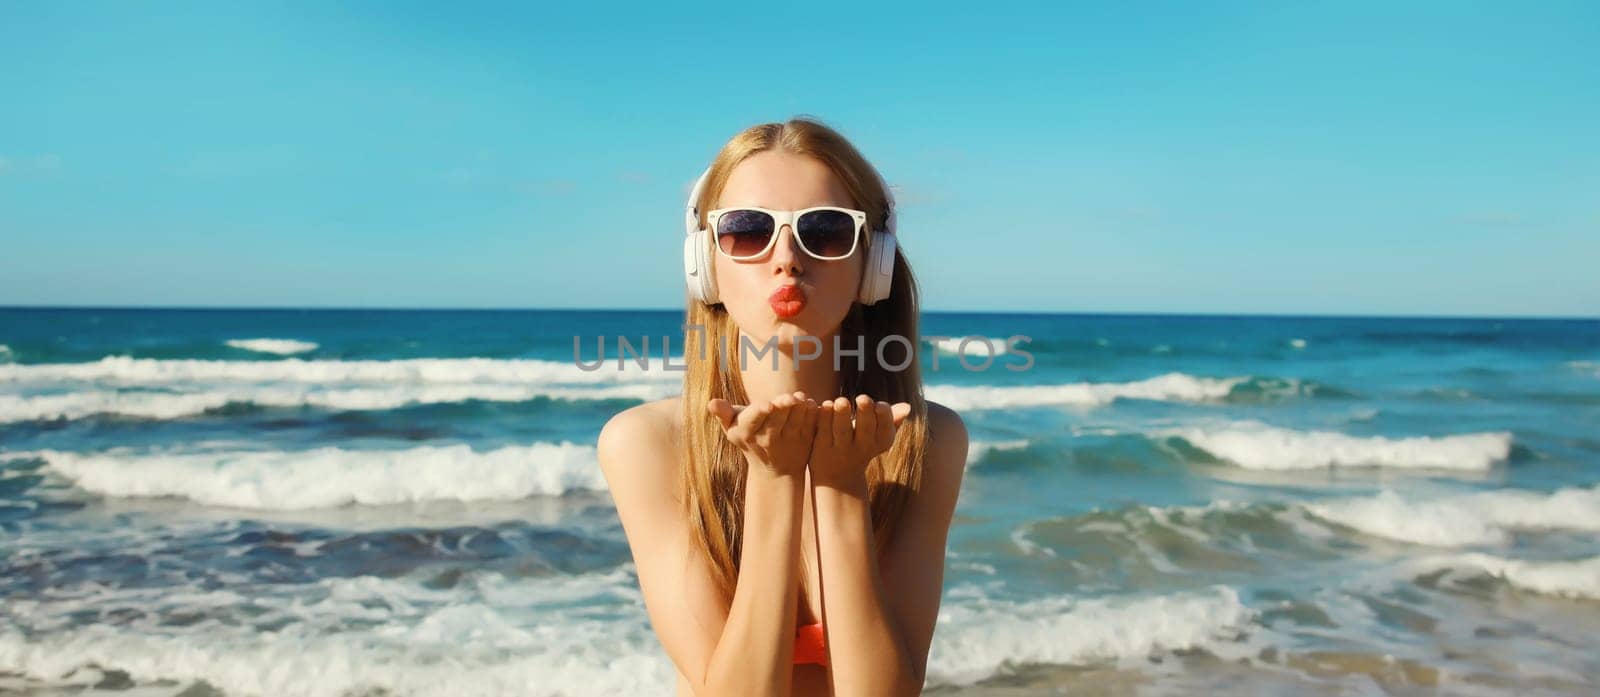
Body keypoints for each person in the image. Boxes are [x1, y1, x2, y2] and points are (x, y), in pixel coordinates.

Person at [598, 116, 968, 697]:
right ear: (705, 263)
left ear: (874, 263)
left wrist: (839, 485)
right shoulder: (645, 443)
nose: (787, 258)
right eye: (747, 230)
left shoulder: (927, 438)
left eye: (824, 232)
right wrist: (774, 478)